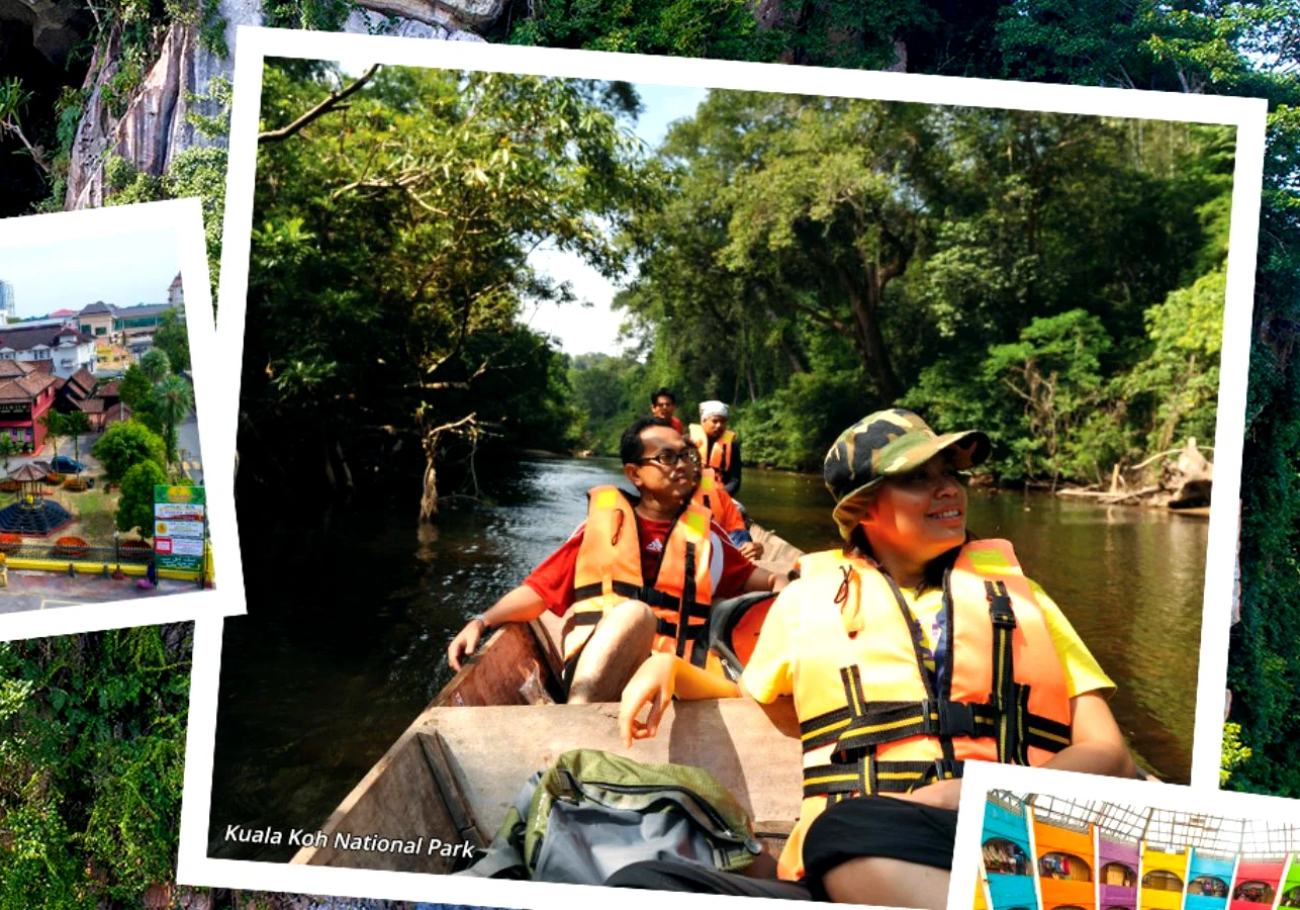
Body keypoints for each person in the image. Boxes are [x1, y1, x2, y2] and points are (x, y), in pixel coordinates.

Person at [613, 408, 1135, 908]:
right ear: (861, 509)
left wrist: (973, 793)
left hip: (1003, 843)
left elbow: (1111, 755)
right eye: (917, 477)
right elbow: (761, 699)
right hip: (845, 864)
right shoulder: (805, 601)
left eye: (951, 473)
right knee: (641, 884)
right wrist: (671, 668)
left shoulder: (1024, 599)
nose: (948, 487)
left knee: (847, 827)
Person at [447, 416, 785, 703]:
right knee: (635, 614)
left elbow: (762, 580)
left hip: (673, 675)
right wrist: (482, 620)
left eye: (686, 455)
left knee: (747, 614)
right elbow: (538, 592)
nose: (682, 465)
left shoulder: (705, 533)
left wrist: (785, 589)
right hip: (598, 677)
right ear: (635, 474)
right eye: (667, 458)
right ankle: (580, 724)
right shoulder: (601, 528)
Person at [689, 401, 741, 496]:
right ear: (703, 421)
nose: (719, 425)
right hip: (690, 493)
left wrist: (720, 495)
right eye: (714, 421)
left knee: (741, 511)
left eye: (722, 422)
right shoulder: (687, 442)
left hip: (720, 494)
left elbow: (735, 480)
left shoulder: (732, 447)